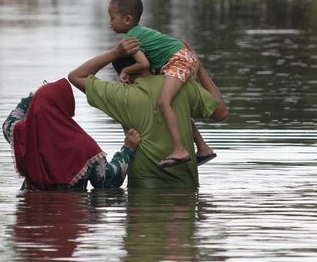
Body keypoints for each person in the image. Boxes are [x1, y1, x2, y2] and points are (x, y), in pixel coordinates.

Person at [68, 38, 228, 187]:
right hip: (186, 191)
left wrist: (114, 52)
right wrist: (197, 66)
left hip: (142, 194)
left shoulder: (121, 96)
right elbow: (221, 113)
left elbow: (75, 76)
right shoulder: (182, 87)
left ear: (122, 74)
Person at [107, 0, 216, 168]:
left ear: (127, 19)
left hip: (179, 60)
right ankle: (203, 148)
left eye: (112, 18)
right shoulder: (139, 32)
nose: (109, 23)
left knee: (163, 103)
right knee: (173, 107)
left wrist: (125, 70)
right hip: (179, 59)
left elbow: (143, 63)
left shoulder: (130, 39)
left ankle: (180, 149)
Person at [2, 78, 141, 191]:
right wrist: (126, 151)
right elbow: (106, 181)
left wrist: (34, 96)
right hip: (70, 214)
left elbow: (9, 122)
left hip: (29, 209)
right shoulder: (83, 145)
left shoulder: (25, 134)